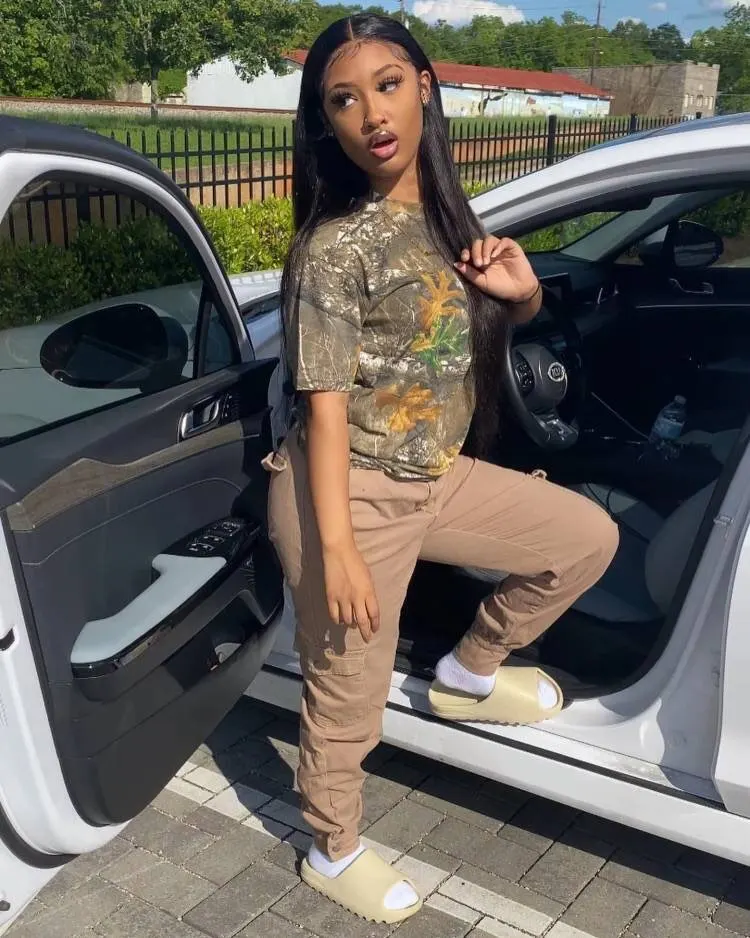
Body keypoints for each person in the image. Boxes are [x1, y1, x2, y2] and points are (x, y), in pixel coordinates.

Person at [266, 13, 619, 925]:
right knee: (348, 697)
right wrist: (339, 552)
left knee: (585, 538)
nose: (372, 114)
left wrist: (525, 295)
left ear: (424, 87)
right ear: (327, 123)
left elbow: (469, 338)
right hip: (346, 493)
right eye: (344, 100)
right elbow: (323, 408)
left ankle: (467, 674)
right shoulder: (334, 248)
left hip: (437, 475)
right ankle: (330, 847)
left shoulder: (447, 221)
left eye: (388, 85)